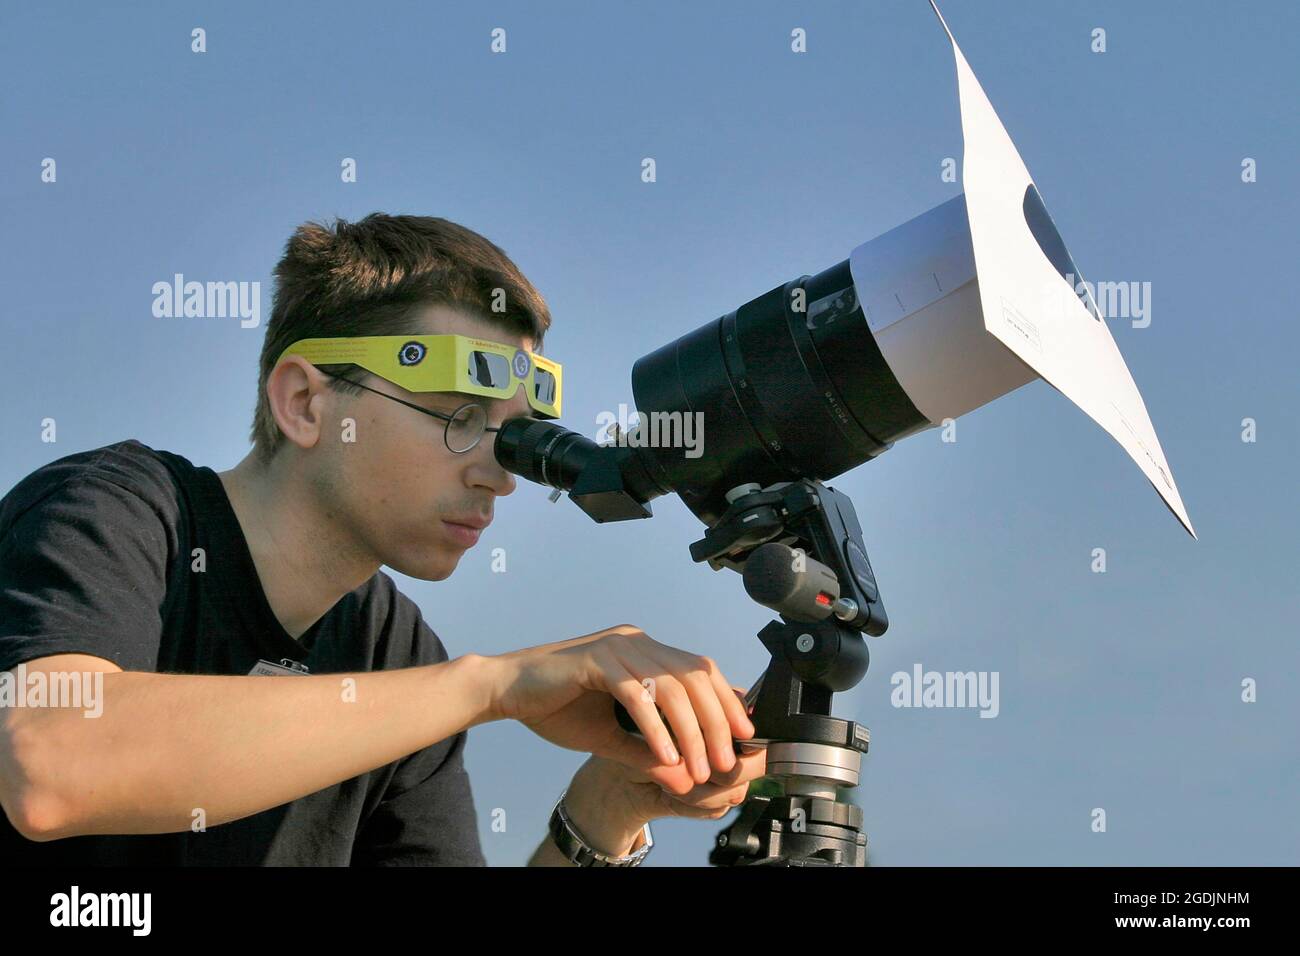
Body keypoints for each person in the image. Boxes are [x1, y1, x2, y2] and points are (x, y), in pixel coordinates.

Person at [0, 213, 765, 866]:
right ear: (304, 402)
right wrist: (488, 688)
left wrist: (601, 814)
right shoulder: (118, 512)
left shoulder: (391, 650)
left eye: (514, 437)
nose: (501, 477)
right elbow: (53, 763)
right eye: (460, 417)